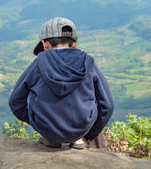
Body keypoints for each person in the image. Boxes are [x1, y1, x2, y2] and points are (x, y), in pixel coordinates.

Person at [9, 17, 114, 149]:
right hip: (81, 130)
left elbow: (15, 101)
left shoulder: (39, 63)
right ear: (74, 43)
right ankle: (77, 141)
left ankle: (52, 139)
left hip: (47, 131)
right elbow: (107, 105)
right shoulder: (88, 63)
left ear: (44, 44)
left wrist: (40, 123)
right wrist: (88, 134)